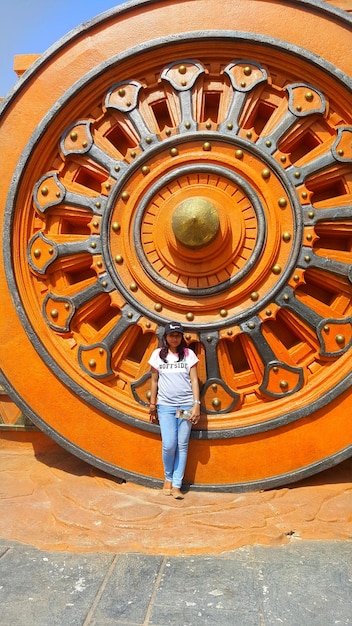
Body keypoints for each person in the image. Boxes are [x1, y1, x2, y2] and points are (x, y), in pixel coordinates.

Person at [148, 321, 201, 499]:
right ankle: (167, 479)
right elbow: (154, 381)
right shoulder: (157, 355)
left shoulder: (188, 354)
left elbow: (194, 380)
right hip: (166, 407)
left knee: (182, 444)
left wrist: (196, 404)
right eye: (172, 335)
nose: (175, 338)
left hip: (184, 406)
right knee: (169, 444)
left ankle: (177, 485)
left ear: (181, 337)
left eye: (178, 335)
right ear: (166, 337)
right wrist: (152, 404)